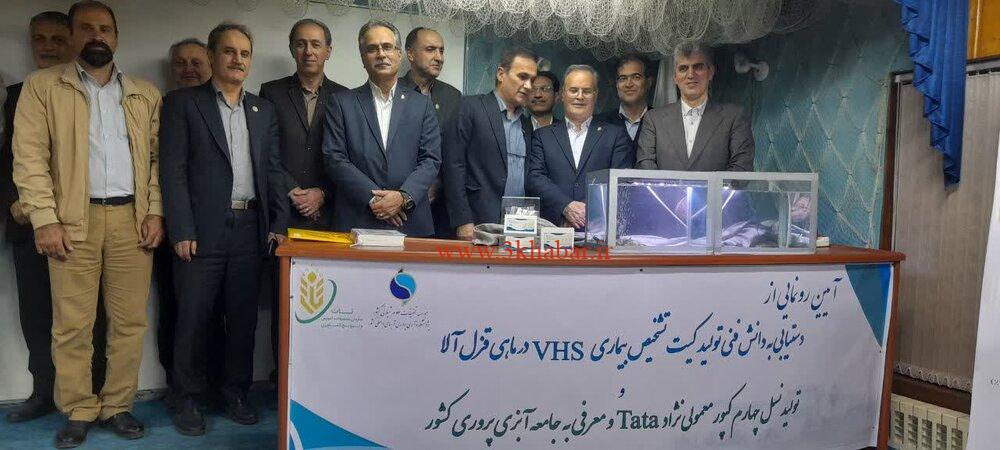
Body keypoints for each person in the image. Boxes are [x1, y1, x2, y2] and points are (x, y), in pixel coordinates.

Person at [12, 2, 164, 446]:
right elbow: (29, 157)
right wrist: (44, 219)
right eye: (86, 28)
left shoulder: (143, 93)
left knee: (129, 323)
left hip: (132, 220)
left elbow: (157, 160)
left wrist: (155, 211)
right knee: (72, 326)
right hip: (71, 222)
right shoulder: (42, 87)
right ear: (73, 35)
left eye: (105, 29)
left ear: (116, 37)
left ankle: (117, 405)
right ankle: (78, 409)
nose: (97, 36)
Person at [159, 22, 288, 436]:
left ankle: (236, 392)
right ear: (213, 56)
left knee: (243, 317)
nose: (237, 60)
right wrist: (181, 229)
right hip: (201, 229)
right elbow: (173, 170)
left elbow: (272, 171)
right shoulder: (183, 103)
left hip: (250, 227)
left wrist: (278, 223)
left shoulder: (262, 109)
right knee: (193, 317)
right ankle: (187, 397)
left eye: (244, 53)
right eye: (229, 52)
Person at [1, 10, 112, 426]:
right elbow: (8, 159)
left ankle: (94, 392)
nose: (47, 47)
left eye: (57, 39)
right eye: (39, 39)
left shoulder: (93, 95)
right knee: (37, 313)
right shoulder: (14, 95)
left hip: (81, 224)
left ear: (73, 43)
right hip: (27, 224)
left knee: (89, 316)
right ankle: (44, 391)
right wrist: (18, 202)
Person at [321, 20, 441, 236]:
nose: (381, 54)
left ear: (399, 54)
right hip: (357, 218)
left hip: (409, 220)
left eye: (387, 47)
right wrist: (376, 200)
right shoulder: (341, 103)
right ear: (362, 58)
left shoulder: (422, 105)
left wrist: (402, 198)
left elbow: (430, 159)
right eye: (372, 49)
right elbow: (334, 158)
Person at [157, 37, 215, 410]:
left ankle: (211, 385)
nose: (189, 69)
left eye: (196, 62)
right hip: (175, 229)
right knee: (177, 311)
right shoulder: (165, 105)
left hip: (221, 230)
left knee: (216, 314)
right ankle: (179, 388)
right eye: (181, 63)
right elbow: (168, 170)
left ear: (210, 64)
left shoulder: (233, 108)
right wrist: (179, 227)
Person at [261, 18, 346, 231]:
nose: (308, 51)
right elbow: (264, 150)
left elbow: (348, 156)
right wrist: (292, 190)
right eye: (301, 44)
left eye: (316, 44)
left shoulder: (345, 97)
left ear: (328, 51)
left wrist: (322, 193)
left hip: (329, 214)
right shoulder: (271, 93)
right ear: (292, 49)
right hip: (281, 210)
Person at [443, 47, 538, 239]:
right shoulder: (469, 107)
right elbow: (453, 166)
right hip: (477, 223)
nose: (528, 86)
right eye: (522, 77)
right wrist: (463, 220)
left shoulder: (526, 124)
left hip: (519, 226)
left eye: (532, 80)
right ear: (501, 74)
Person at [527, 65, 633, 227]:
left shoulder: (615, 134)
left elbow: (621, 181)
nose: (580, 96)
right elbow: (536, 178)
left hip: (599, 228)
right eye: (573, 90)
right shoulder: (542, 135)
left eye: (587, 91)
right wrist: (566, 206)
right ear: (563, 94)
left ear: (595, 95)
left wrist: (586, 211)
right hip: (553, 228)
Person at [636, 43, 754, 171]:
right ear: (675, 77)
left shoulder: (734, 117)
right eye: (683, 68)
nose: (691, 74)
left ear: (711, 72)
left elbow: (741, 168)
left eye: (698, 67)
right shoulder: (654, 119)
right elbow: (646, 169)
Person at [397, 26, 461, 238]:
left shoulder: (453, 97)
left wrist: (439, 185)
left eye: (441, 51)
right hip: (398, 205)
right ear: (410, 54)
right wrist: (412, 190)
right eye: (430, 49)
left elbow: (457, 152)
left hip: (442, 207)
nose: (439, 57)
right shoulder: (393, 91)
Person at [595, 53, 652, 144]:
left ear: (648, 83)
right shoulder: (599, 123)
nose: (628, 84)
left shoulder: (660, 121)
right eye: (623, 78)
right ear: (617, 85)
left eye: (636, 77)